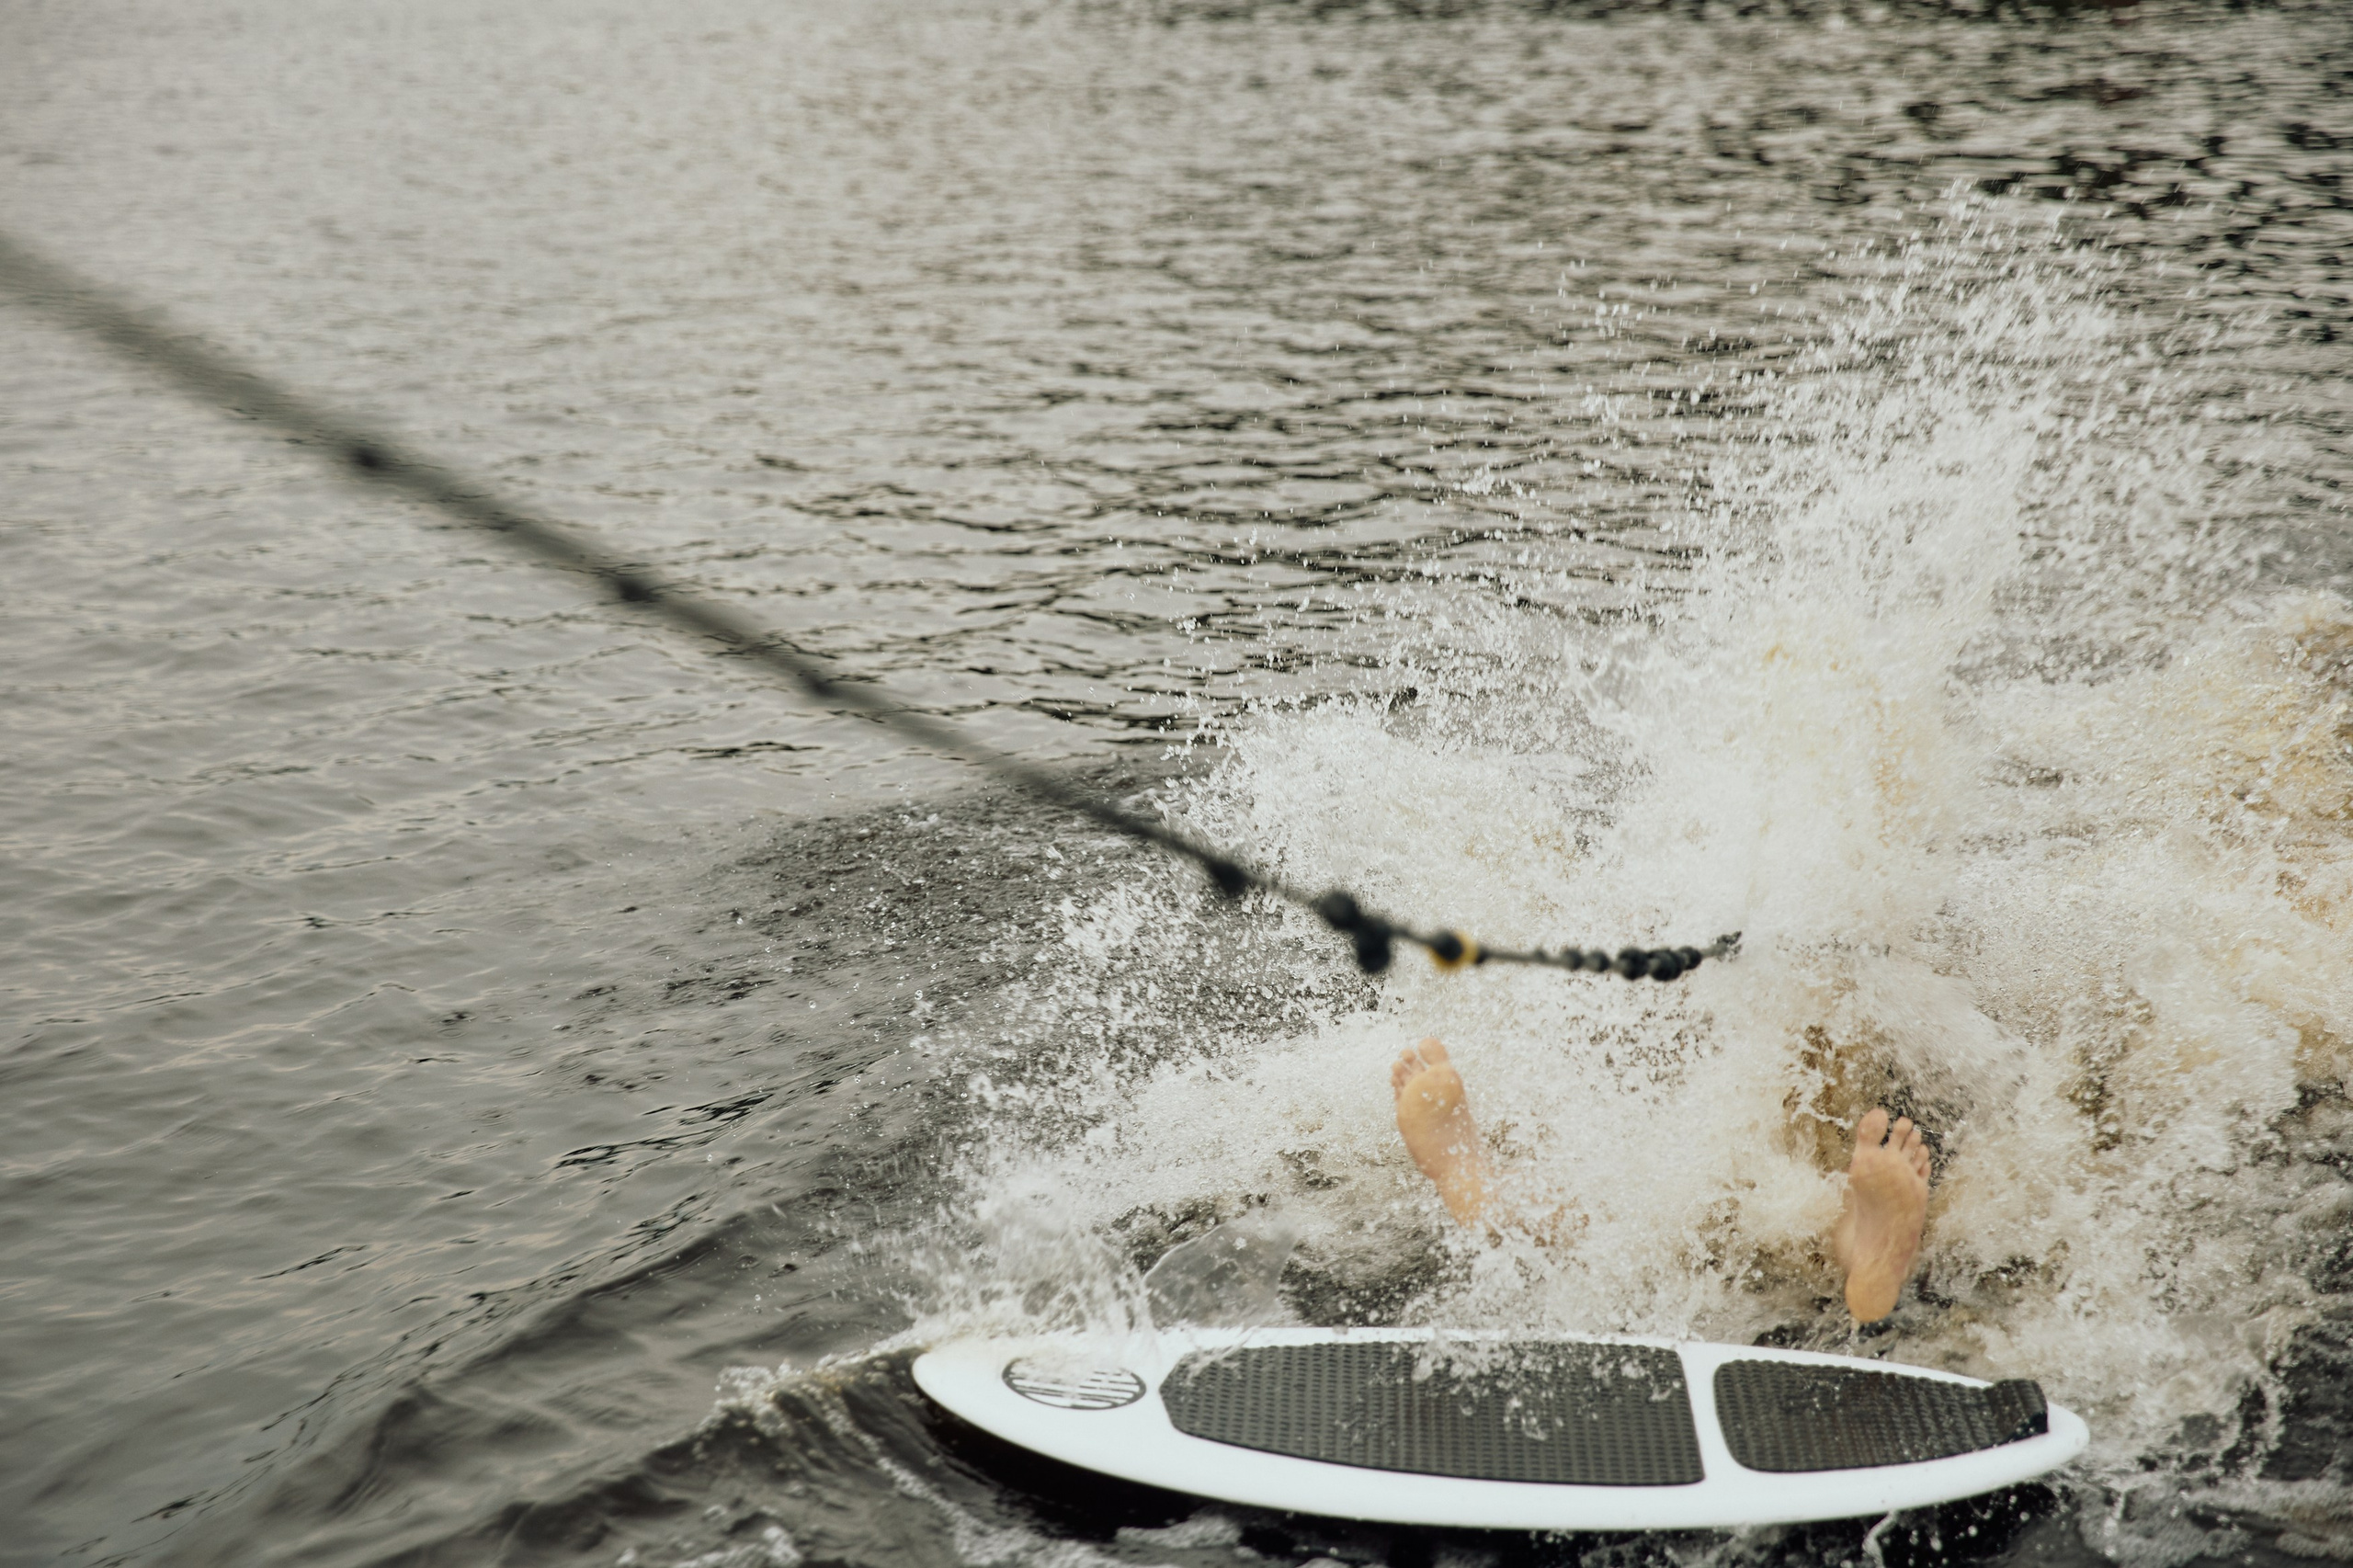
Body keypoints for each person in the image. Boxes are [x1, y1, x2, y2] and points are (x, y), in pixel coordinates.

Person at [1391, 1037, 1932, 1323]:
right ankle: (1861, 1243)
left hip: (1665, 1139)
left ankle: (1484, 1188)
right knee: (1807, 1173)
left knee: (1617, 1189)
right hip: (1777, 1100)